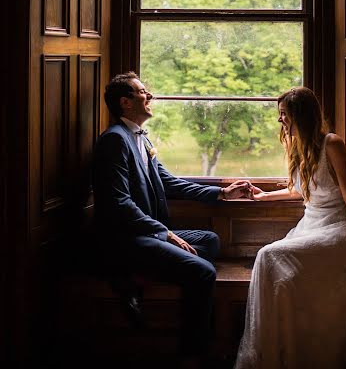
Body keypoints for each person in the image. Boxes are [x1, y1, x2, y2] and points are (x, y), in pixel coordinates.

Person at [92, 71, 252, 369]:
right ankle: (192, 354)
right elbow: (118, 202)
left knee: (211, 240)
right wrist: (164, 233)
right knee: (203, 272)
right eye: (142, 92)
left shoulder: (141, 137)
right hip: (127, 239)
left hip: (150, 236)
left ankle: (140, 273)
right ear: (125, 103)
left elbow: (169, 182)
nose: (149, 96)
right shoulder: (113, 141)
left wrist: (222, 193)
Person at [234, 86, 346, 369]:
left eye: (283, 114)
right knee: (275, 271)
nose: (280, 120)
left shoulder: (332, 145)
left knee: (267, 255)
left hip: (337, 230)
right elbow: (297, 191)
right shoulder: (294, 144)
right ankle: (279, 352)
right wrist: (262, 195)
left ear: (300, 115)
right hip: (310, 226)